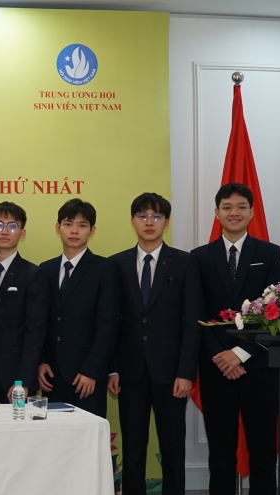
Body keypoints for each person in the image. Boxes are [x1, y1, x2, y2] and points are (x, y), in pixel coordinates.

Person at [191, 183, 280, 495]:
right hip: (216, 367)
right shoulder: (199, 257)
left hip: (259, 366)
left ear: (252, 212)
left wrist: (241, 353)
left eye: (241, 207)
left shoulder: (269, 254)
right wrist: (221, 356)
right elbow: (195, 313)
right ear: (217, 213)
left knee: (263, 453)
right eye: (227, 207)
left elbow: (275, 310)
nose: (235, 212)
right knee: (220, 455)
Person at [108, 193, 203, 495]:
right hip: (130, 372)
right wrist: (112, 369)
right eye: (143, 216)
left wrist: (186, 372)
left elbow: (192, 322)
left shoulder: (185, 262)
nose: (149, 222)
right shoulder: (117, 264)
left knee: (173, 448)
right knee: (133, 449)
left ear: (166, 222)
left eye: (156, 216)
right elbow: (111, 323)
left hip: (172, 373)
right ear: (132, 221)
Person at [37, 198, 120, 418]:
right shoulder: (45, 270)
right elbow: (39, 321)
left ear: (92, 230)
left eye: (82, 225)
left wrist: (92, 371)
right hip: (51, 375)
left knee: (86, 434)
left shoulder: (104, 269)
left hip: (86, 376)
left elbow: (108, 325)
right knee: (54, 434)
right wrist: (42, 360)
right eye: (68, 224)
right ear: (58, 227)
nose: (74, 230)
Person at [0, 202, 49, 403]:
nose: (4, 231)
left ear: (22, 233)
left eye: (12, 226)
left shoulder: (34, 275)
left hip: (13, 374)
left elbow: (35, 332)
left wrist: (23, 380)